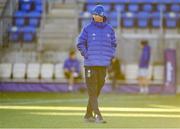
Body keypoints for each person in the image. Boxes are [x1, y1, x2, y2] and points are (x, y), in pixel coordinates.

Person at [77, 5, 117, 123]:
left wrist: (110, 55)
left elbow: (113, 44)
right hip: (90, 64)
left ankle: (87, 115)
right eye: (94, 14)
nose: (95, 16)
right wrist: (87, 54)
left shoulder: (110, 29)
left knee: (97, 89)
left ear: (102, 15)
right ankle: (97, 115)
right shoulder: (87, 29)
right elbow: (80, 43)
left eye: (98, 14)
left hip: (103, 64)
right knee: (92, 90)